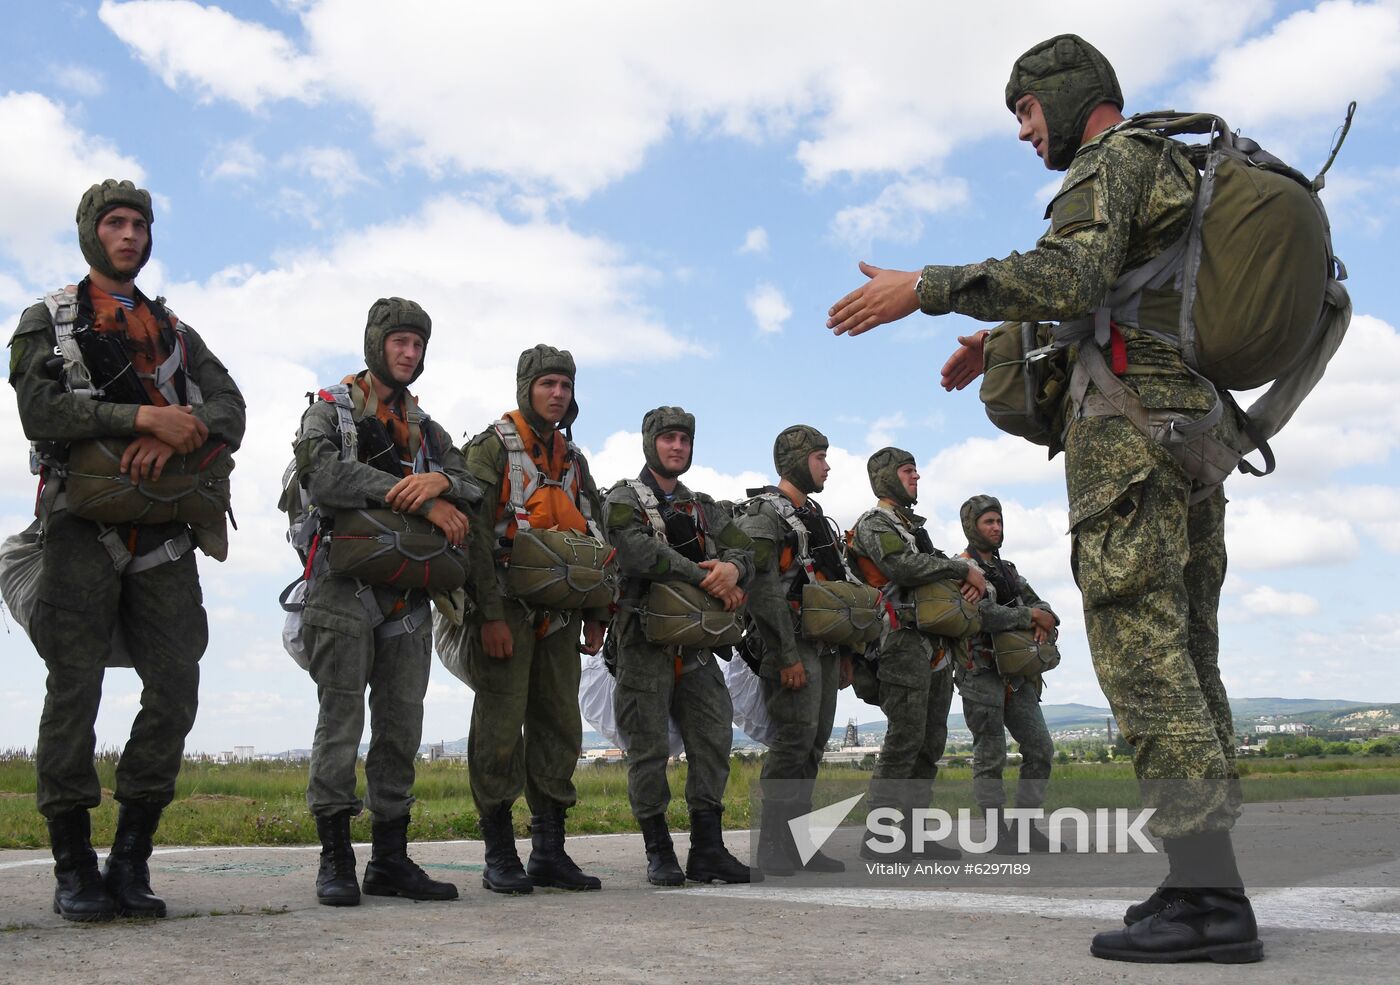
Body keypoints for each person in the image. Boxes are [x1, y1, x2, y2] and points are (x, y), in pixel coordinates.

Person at [826, 34, 1261, 963]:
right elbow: (1127, 293)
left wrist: (929, 288)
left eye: (1027, 111)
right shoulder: (1171, 162)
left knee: (1144, 659)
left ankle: (1212, 899)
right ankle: (1202, 879)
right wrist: (1002, 344)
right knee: (1185, 653)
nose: (1025, 132)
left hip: (1132, 442)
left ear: (1069, 96)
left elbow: (1075, 273)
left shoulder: (1110, 160)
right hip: (1191, 433)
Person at [8, 179, 245, 920]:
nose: (130, 235)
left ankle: (132, 856)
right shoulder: (45, 319)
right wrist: (142, 414)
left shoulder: (174, 331)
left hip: (166, 535)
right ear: (90, 231)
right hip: (81, 526)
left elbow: (230, 406)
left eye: (140, 224)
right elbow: (40, 409)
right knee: (73, 688)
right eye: (115, 223)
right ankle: (73, 862)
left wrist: (179, 429)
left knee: (176, 689)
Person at [292, 297, 477, 907]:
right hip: (341, 588)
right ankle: (336, 858)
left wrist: (445, 481)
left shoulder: (428, 429)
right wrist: (417, 497)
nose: (409, 353)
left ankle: (390, 860)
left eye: (418, 345)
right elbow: (324, 477)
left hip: (409, 593)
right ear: (376, 343)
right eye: (400, 341)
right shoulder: (329, 411)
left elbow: (475, 481)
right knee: (340, 723)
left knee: (402, 727)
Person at [460, 345, 608, 893]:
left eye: (566, 386)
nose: (558, 394)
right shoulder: (491, 448)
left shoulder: (574, 460)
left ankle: (550, 851)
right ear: (527, 388)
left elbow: (596, 536)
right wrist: (488, 616)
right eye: (548, 384)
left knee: (561, 729)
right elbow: (473, 536)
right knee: (499, 729)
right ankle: (499, 852)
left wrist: (596, 612)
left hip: (562, 615)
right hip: (506, 608)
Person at [603, 406, 755, 885]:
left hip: (696, 647)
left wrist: (734, 569)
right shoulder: (623, 498)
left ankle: (707, 849)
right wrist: (708, 578)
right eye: (668, 438)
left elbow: (748, 549)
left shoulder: (706, 507)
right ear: (651, 443)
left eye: (685, 440)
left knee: (713, 740)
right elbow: (638, 552)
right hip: (642, 642)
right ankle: (659, 850)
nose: (677, 447)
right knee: (647, 750)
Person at [847, 448, 981, 861]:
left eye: (916, 470)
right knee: (904, 738)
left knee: (930, 742)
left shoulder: (913, 529)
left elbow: (926, 564)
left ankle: (916, 833)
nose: (917, 477)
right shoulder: (875, 523)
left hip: (934, 645)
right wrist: (960, 570)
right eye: (908, 471)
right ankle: (882, 836)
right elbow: (902, 567)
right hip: (900, 642)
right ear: (887, 477)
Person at [734, 425, 852, 875]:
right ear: (797, 459)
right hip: (791, 644)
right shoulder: (766, 515)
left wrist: (843, 653)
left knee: (813, 746)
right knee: (791, 745)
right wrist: (785, 655)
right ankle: (771, 848)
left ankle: (799, 845)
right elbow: (764, 592)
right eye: (820, 456)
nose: (826, 465)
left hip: (821, 646)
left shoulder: (815, 516)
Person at [954, 495, 1059, 854]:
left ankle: (1026, 828)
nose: (996, 528)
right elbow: (980, 614)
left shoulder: (1010, 571)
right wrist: (1029, 617)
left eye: (999, 522)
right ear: (972, 526)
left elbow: (1043, 606)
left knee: (1041, 748)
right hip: (980, 672)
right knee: (990, 754)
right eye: (988, 522)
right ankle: (997, 832)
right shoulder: (961, 569)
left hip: (1017, 676)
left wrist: (1043, 615)